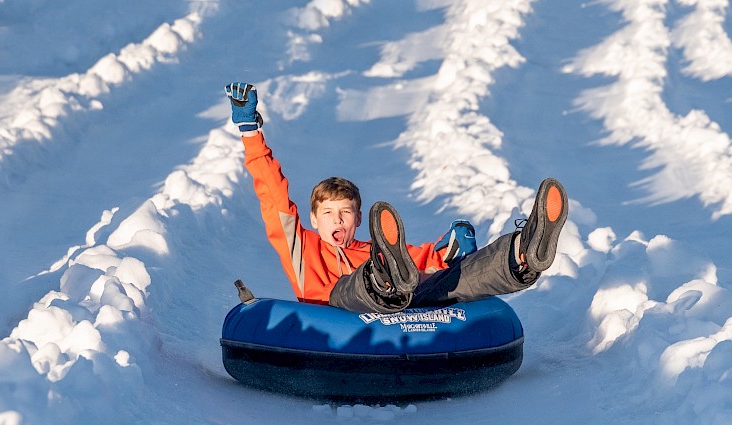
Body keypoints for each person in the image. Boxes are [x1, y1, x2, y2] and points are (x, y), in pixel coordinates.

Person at [224, 82, 568, 314]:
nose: (338, 220)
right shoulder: (302, 250)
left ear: (359, 219)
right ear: (314, 219)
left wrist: (447, 250)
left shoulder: (369, 249)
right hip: (335, 312)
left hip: (399, 302)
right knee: (359, 283)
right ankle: (384, 280)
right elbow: (274, 198)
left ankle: (522, 254)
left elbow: (422, 259)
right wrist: (251, 133)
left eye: (346, 212)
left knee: (452, 280)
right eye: (328, 213)